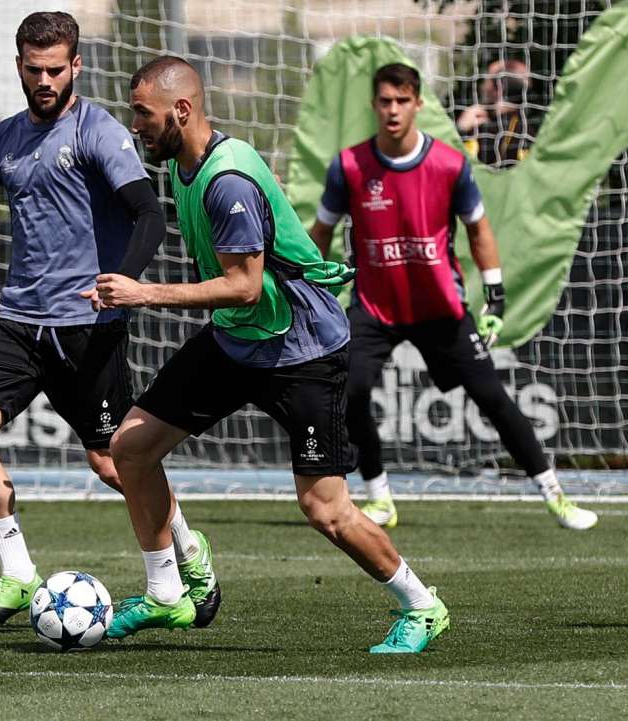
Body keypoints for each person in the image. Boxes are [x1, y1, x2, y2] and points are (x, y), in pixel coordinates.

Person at [0, 12, 215, 630]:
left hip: (87, 326)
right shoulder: (2, 140)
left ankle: (188, 550)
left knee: (113, 463)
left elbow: (149, 215)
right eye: (34, 69)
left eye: (55, 69)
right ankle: (18, 574)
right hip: (19, 322)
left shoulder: (99, 131)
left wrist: (122, 283)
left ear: (76, 66)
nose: (44, 80)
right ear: (19, 67)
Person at [90, 56, 450, 654]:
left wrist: (144, 293)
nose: (135, 125)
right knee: (130, 448)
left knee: (325, 509)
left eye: (143, 114)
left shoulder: (227, 180)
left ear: (182, 111)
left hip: (301, 350)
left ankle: (422, 605)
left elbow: (245, 286)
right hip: (237, 340)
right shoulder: (182, 165)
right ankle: (166, 591)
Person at [309, 62, 597, 531]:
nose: (393, 110)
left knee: (491, 395)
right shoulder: (349, 166)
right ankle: (380, 497)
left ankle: (555, 496)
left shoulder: (449, 164)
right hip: (375, 307)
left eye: (403, 101)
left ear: (418, 104)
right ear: (374, 105)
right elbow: (321, 233)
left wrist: (495, 295)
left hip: (439, 308)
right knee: (351, 388)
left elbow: (479, 230)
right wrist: (310, 290)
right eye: (385, 101)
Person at [458, 58, 533, 167]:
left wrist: (461, 129)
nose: (482, 87)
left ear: (499, 88)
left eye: (486, 80)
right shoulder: (528, 132)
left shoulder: (483, 130)